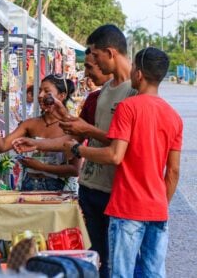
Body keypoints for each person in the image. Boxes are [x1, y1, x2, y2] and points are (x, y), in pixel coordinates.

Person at [12, 24, 135, 278]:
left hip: (116, 192)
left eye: (94, 57)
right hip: (91, 187)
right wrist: (40, 142)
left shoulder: (134, 91)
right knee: (96, 257)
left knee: (118, 265)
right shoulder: (103, 93)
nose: (92, 65)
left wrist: (82, 136)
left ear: (110, 53)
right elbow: (77, 135)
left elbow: (122, 146)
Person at [63, 47, 182, 278]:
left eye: (134, 67)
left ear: (139, 74)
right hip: (157, 209)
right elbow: (174, 171)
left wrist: (78, 148)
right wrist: (160, 204)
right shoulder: (173, 116)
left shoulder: (128, 107)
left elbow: (115, 155)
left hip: (128, 208)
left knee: (121, 273)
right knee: (153, 273)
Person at [0, 75, 82, 191]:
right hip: (29, 185)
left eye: (46, 91)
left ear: (62, 96)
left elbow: (74, 170)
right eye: (40, 91)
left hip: (58, 189)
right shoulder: (30, 124)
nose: (40, 95)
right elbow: (1, 147)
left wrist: (42, 167)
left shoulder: (71, 126)